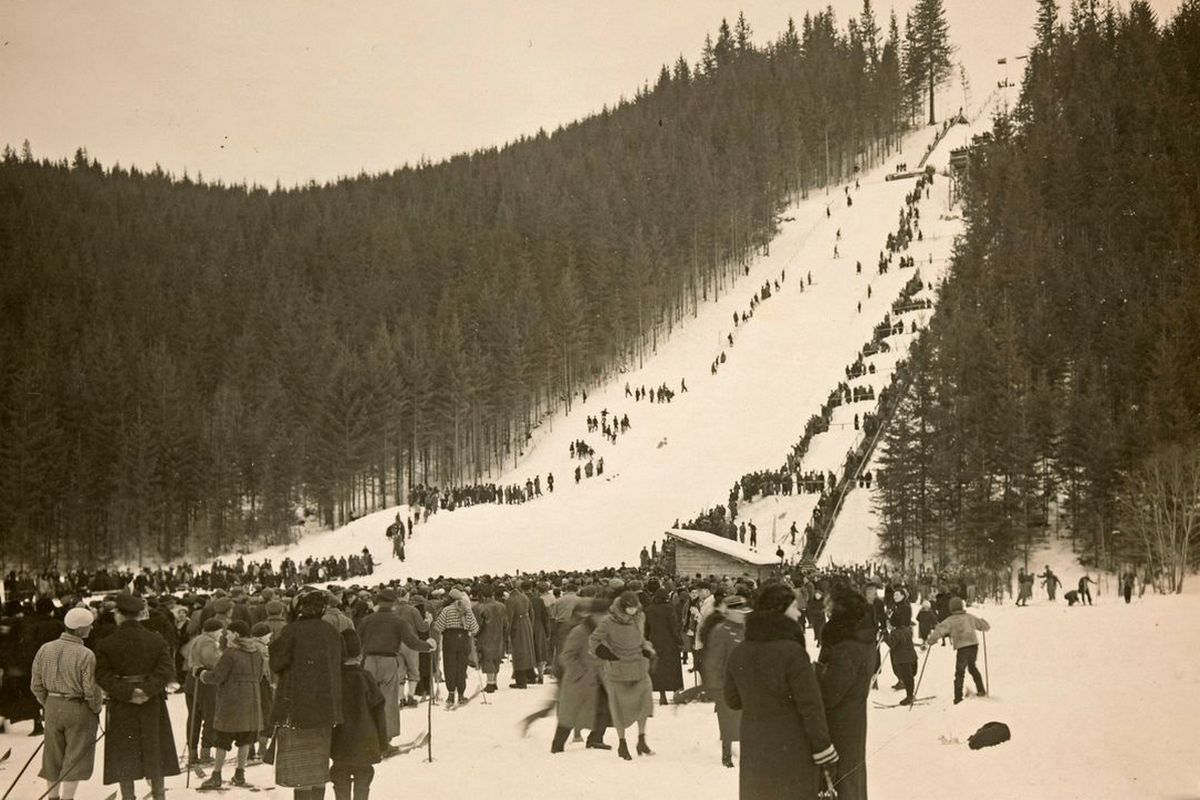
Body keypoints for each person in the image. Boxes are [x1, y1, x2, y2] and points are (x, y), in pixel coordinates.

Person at [724, 583, 837, 798]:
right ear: (780, 610)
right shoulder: (793, 653)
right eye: (794, 607)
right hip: (791, 750)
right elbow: (811, 708)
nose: (798, 612)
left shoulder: (739, 652)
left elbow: (732, 700)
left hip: (755, 749)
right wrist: (825, 751)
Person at [94, 592, 180, 800]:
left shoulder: (106, 643)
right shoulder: (156, 640)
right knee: (155, 751)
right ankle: (159, 796)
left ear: (119, 615)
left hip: (123, 704)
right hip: (152, 703)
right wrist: (147, 690)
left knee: (125, 754)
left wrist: (128, 692)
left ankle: (128, 797)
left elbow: (102, 675)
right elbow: (166, 670)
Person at [270, 588, 345, 800]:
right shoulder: (331, 631)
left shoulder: (291, 631)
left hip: (296, 708)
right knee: (319, 767)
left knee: (299, 772)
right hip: (326, 709)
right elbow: (342, 660)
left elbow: (277, 663)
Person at [29, 607, 102, 800]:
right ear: (79, 630)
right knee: (75, 756)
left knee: (52, 756)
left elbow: (35, 684)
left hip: (52, 706)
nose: (91, 628)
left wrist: (48, 702)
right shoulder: (86, 654)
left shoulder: (45, 649)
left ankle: (53, 797)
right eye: (89, 626)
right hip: (78, 707)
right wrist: (96, 707)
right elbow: (91, 689)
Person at [816, 585, 876, 800]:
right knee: (850, 776)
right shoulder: (860, 637)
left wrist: (813, 675)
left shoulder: (847, 646)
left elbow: (830, 692)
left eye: (830, 607)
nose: (827, 611)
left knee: (841, 778)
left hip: (839, 722)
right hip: (852, 719)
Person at [356, 589, 433, 753]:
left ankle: (368, 737)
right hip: (388, 661)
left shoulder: (367, 620)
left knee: (369, 701)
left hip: (368, 662)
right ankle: (385, 742)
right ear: (393, 603)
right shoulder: (397, 621)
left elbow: (357, 640)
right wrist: (428, 646)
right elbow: (412, 643)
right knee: (388, 702)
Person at [589, 591, 655, 760]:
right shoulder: (608, 621)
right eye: (630, 608)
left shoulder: (640, 618)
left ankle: (641, 739)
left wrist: (647, 649)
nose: (633, 611)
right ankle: (622, 743)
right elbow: (594, 640)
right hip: (618, 668)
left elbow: (641, 639)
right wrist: (605, 653)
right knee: (618, 707)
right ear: (623, 607)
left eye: (635, 608)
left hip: (638, 666)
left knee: (644, 702)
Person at [198, 619, 263, 789]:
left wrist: (201, 674)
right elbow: (260, 676)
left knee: (222, 738)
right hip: (252, 700)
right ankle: (239, 775)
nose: (226, 635)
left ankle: (217, 776)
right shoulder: (257, 652)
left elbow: (217, 677)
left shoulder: (230, 653)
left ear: (236, 634)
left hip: (231, 700)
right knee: (245, 739)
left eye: (229, 633)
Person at [331, 629, 388, 800]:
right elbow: (379, 711)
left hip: (339, 741)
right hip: (365, 740)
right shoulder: (366, 678)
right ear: (360, 654)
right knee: (364, 778)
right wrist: (382, 742)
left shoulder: (334, 679)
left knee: (339, 778)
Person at [551, 598, 609, 753]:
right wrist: (580, 672)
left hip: (599, 678)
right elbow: (567, 656)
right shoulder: (580, 631)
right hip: (580, 680)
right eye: (603, 615)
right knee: (570, 714)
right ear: (595, 615)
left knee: (604, 708)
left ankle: (596, 739)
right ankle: (557, 746)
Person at [700, 595, 748, 768]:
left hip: (745, 682)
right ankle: (726, 754)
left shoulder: (747, 628)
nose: (743, 614)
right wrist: (715, 685)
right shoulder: (720, 630)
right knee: (728, 721)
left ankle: (747, 753)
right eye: (739, 611)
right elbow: (713, 660)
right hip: (726, 684)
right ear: (729, 612)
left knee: (745, 720)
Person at [922, 597, 990, 704]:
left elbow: (939, 630)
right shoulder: (969, 617)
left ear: (951, 608)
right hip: (973, 646)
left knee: (960, 672)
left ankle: (957, 698)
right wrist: (983, 622)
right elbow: (985, 626)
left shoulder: (950, 620)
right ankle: (981, 690)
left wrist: (931, 640)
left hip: (962, 648)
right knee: (972, 667)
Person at [433, 588, 479, 705]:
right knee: (462, 667)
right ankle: (461, 694)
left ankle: (451, 694)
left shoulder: (446, 610)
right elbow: (475, 628)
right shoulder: (467, 609)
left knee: (450, 666)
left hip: (449, 639)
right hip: (463, 639)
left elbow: (438, 627)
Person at [643, 589, 684, 706]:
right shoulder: (670, 609)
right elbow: (674, 628)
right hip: (669, 643)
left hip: (655, 643)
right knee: (673, 668)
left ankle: (662, 696)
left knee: (659, 670)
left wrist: (646, 641)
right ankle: (676, 693)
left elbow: (646, 629)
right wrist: (679, 641)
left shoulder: (649, 610)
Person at [473, 584, 507, 693]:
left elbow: (478, 625)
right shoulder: (501, 606)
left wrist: (474, 634)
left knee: (487, 658)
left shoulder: (480, 607)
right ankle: (494, 681)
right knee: (496, 658)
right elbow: (506, 623)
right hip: (499, 634)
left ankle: (490, 683)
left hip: (486, 635)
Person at [505, 582, 537, 689]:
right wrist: (530, 625)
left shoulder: (510, 600)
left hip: (517, 625)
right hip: (526, 623)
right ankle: (531, 675)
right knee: (528, 650)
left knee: (519, 652)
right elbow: (531, 612)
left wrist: (506, 633)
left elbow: (509, 618)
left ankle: (521, 680)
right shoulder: (524, 597)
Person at [884, 608, 918, 705]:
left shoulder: (895, 633)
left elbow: (892, 643)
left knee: (906, 678)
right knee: (910, 677)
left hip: (903, 659)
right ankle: (911, 694)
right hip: (912, 657)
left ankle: (909, 696)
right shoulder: (907, 630)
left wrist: (885, 636)